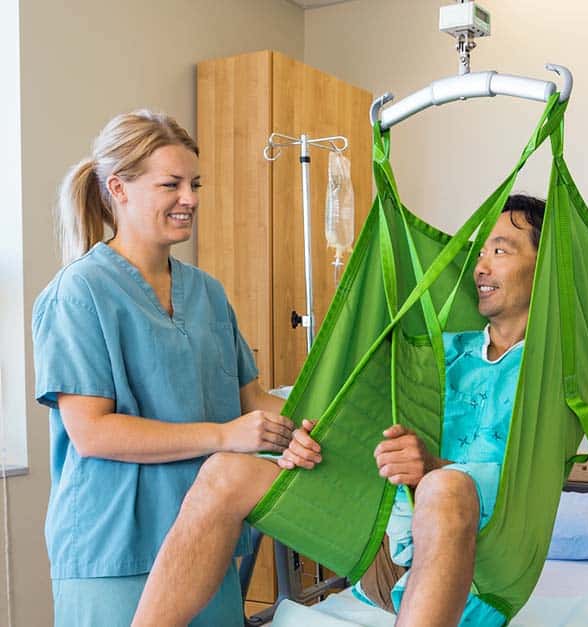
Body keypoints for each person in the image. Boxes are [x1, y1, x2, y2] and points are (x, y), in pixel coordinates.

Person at [132, 195, 546, 627]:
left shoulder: (549, 375)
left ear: (546, 266)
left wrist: (431, 467)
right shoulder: (438, 353)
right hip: (381, 551)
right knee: (224, 472)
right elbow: (367, 419)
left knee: (446, 487)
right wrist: (311, 437)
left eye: (500, 251)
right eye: (479, 253)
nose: (480, 267)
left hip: (476, 576)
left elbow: (526, 484)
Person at [32, 110, 294, 626]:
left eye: (194, 184)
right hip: (114, 549)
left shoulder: (207, 293)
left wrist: (314, 422)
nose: (190, 198)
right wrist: (225, 437)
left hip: (204, 539)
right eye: (171, 184)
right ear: (119, 189)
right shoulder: (79, 293)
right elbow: (92, 433)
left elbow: (252, 402)